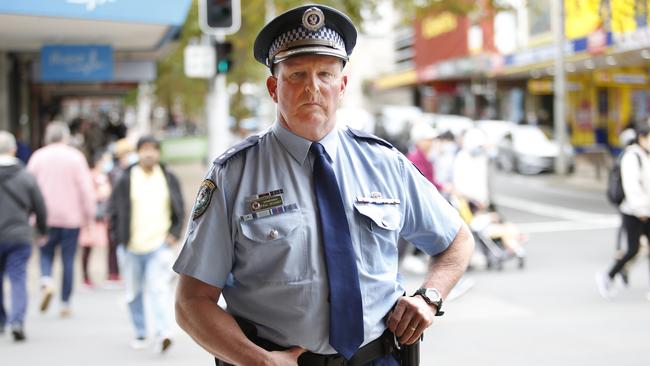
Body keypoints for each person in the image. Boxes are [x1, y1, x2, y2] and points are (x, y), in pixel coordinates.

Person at [173, 5, 475, 366]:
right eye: (297, 74)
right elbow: (191, 303)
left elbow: (457, 240)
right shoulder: (234, 175)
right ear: (274, 87)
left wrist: (430, 297)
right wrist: (260, 362)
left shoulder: (384, 164)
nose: (312, 88)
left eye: (326, 75)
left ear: (342, 85)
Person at [108, 136, 184, 353]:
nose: (149, 153)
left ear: (159, 153)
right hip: (131, 245)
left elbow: (179, 207)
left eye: (153, 149)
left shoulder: (168, 177)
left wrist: (173, 235)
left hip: (159, 245)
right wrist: (118, 238)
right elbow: (113, 210)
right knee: (133, 292)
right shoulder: (126, 178)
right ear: (138, 152)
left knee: (159, 289)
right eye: (144, 149)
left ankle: (163, 333)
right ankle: (140, 331)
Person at [27, 121, 95, 317]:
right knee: (68, 259)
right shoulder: (75, 157)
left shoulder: (38, 157)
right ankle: (65, 302)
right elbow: (86, 190)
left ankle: (46, 280)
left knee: (45, 254)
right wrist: (89, 216)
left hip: (43, 217)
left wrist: (29, 213)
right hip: (70, 219)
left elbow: (29, 187)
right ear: (65, 137)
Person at [0, 131, 47, 341]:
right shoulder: (26, 176)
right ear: (14, 149)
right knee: (18, 278)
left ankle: (2, 320)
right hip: (19, 235)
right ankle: (17, 320)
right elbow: (40, 207)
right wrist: (43, 231)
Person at [597, 125, 650, 300]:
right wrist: (641, 210)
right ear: (642, 137)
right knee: (633, 249)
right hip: (634, 212)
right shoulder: (632, 156)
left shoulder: (646, 156)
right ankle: (609, 276)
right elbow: (632, 188)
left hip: (647, 211)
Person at [79, 153, 112, 288]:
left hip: (102, 217)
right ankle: (85, 277)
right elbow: (87, 195)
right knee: (87, 247)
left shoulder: (105, 177)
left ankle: (109, 274)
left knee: (103, 246)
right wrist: (100, 194)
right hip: (91, 218)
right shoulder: (90, 176)